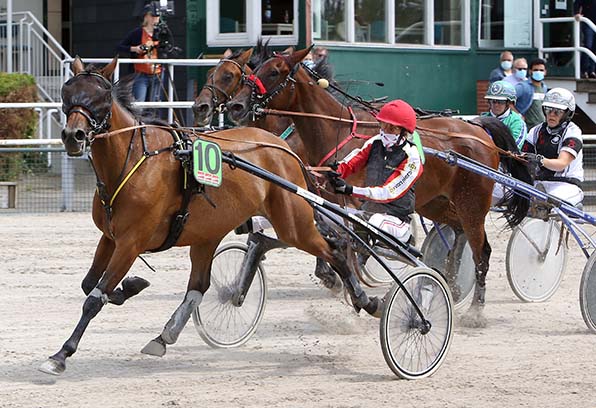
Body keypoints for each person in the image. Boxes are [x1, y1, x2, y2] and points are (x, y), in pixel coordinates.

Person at [326, 99, 423, 243]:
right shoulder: (375, 142)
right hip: (366, 213)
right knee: (325, 211)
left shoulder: (412, 157)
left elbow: (388, 192)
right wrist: (336, 170)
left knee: (374, 222)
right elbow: (352, 162)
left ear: (404, 132)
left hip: (395, 221)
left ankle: (406, 239)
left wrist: (350, 190)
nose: (385, 132)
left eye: (392, 128)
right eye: (383, 126)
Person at [523, 88, 584, 207]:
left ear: (568, 113)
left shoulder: (573, 131)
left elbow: (561, 163)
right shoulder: (535, 131)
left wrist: (539, 160)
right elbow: (523, 158)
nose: (551, 114)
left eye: (557, 111)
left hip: (567, 185)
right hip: (539, 183)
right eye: (548, 109)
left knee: (550, 201)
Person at [117, 2, 163, 103]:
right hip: (141, 74)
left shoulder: (161, 33)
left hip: (158, 74)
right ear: (146, 17)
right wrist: (135, 49)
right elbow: (119, 47)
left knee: (156, 105)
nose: (155, 18)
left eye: (157, 16)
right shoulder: (137, 33)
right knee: (139, 104)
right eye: (152, 16)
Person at [482, 80, 527, 150]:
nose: (496, 105)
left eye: (500, 102)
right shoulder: (481, 119)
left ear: (508, 103)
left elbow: (514, 148)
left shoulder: (517, 122)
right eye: (493, 101)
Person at [515, 58, 548, 129]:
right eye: (535, 70)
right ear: (530, 71)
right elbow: (507, 100)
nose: (538, 72)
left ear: (545, 72)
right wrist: (518, 115)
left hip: (541, 127)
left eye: (541, 70)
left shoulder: (544, 87)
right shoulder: (523, 87)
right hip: (526, 128)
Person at [574, 0, 596, 78]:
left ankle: (592, 70)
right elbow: (577, 3)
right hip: (588, 22)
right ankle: (584, 70)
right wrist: (577, 13)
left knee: (594, 47)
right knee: (588, 45)